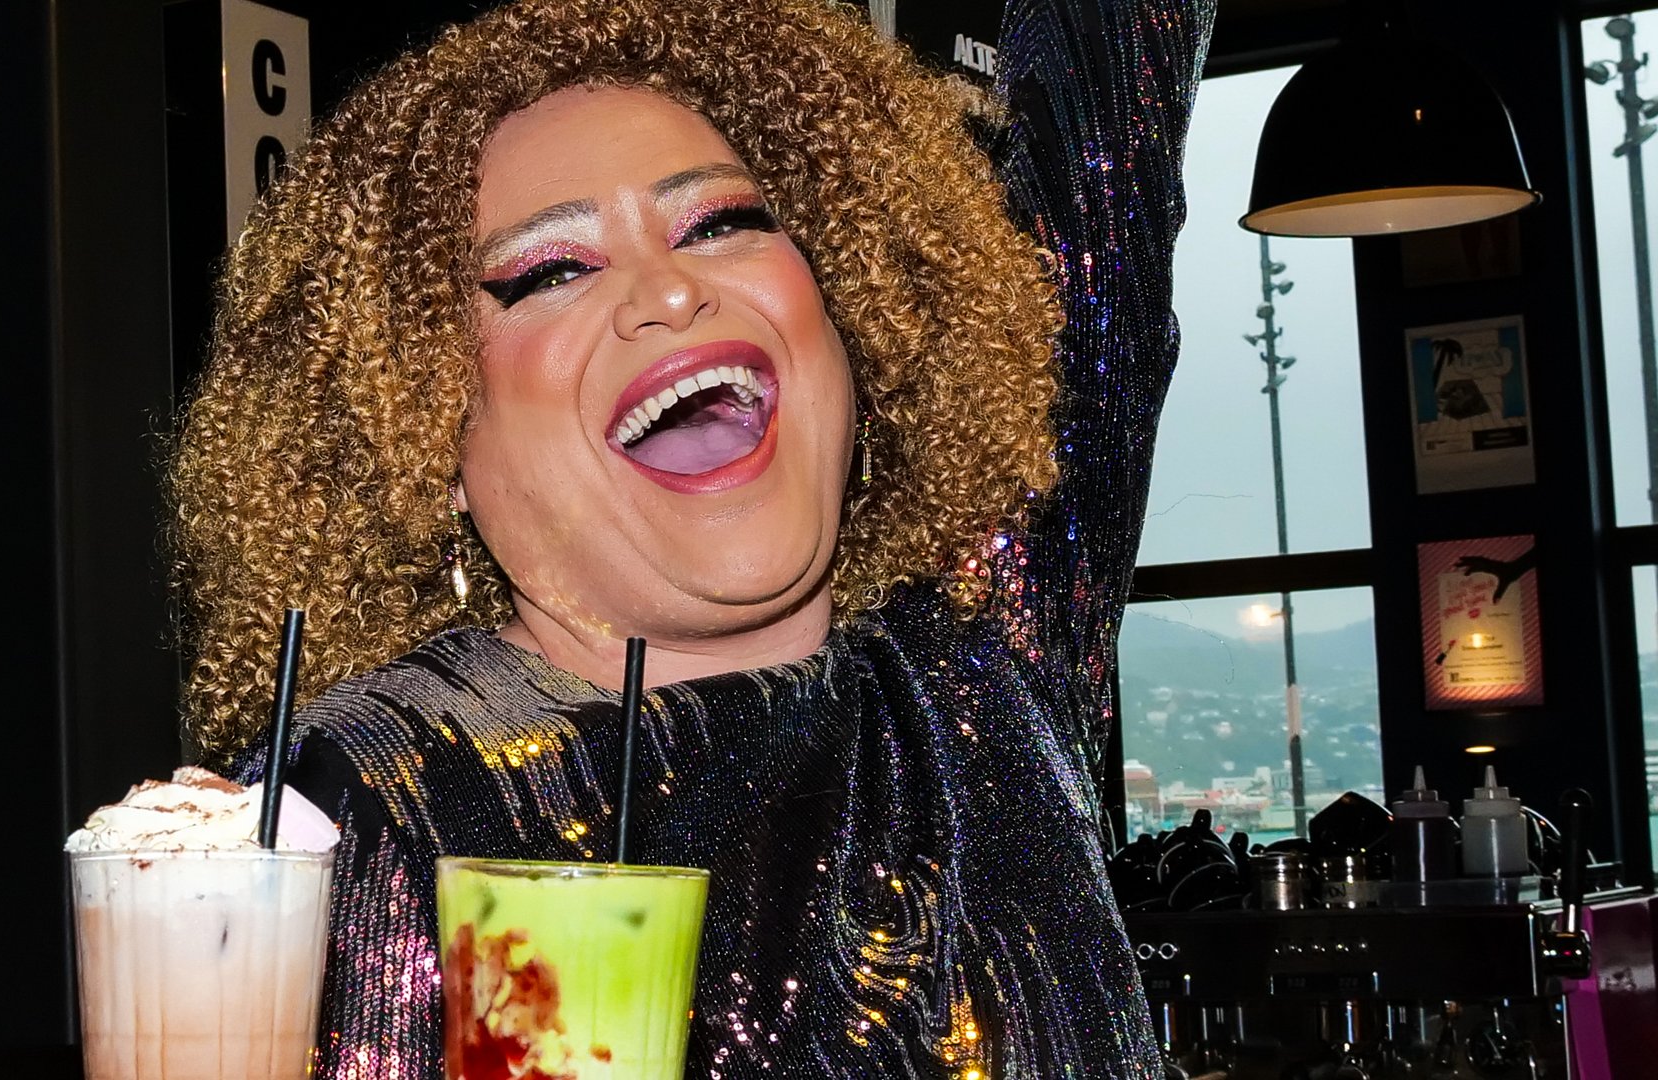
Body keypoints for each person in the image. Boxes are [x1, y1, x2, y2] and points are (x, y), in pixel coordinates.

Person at [169, 0, 1213, 1075]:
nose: (669, 288)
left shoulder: (987, 653)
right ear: (422, 431)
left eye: (720, 223)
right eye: (550, 271)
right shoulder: (372, 796)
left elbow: (1112, 102)